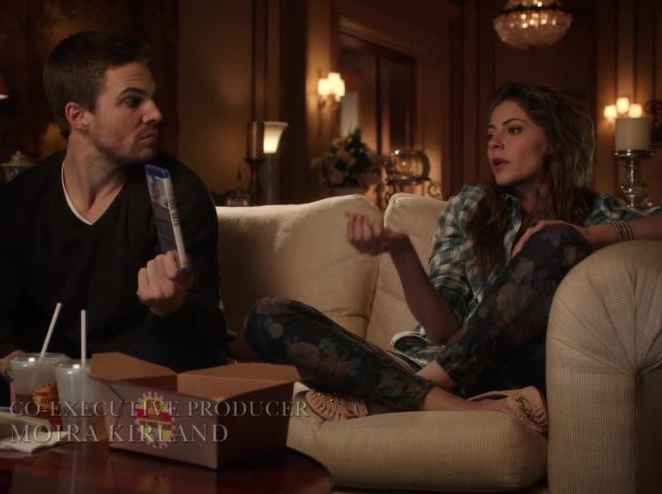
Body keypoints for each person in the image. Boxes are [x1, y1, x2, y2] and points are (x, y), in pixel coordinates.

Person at [243, 82, 662, 434]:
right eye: (491, 133)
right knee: (267, 317)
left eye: (513, 130)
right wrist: (401, 251)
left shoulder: (594, 214)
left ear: (553, 141)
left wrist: (593, 235)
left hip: (514, 370)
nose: (495, 142)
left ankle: (408, 391)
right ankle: (451, 405)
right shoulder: (471, 206)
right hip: (445, 363)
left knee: (557, 240)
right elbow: (443, 329)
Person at [0, 31, 228, 376]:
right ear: (77, 115)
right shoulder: (19, 199)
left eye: (152, 98)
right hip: (39, 388)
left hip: (137, 386)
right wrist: (16, 365)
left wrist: (170, 309)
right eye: (133, 102)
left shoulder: (177, 192)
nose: (155, 114)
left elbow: (207, 333)